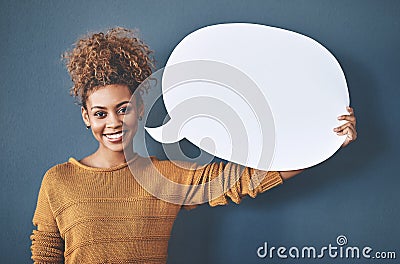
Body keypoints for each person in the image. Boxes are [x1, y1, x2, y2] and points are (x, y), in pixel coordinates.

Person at [30, 27, 357, 263]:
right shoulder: (57, 181)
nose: (113, 123)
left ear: (140, 108)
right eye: (100, 113)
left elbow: (243, 181)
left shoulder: (165, 177)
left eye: (124, 109)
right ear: (87, 116)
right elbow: (45, 255)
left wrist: (326, 141)